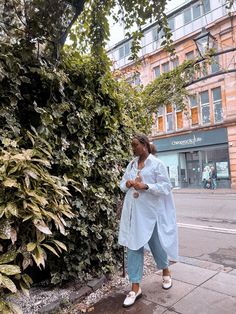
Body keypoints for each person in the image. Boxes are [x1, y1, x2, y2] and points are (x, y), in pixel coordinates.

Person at [118, 134, 178, 308]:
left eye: (135, 145)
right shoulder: (131, 164)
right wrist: (128, 183)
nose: (133, 148)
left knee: (156, 245)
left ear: (144, 145)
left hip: (150, 214)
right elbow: (121, 185)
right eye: (132, 145)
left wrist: (146, 186)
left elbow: (166, 187)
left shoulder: (156, 164)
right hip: (133, 214)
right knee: (134, 246)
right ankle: (135, 287)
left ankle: (166, 270)